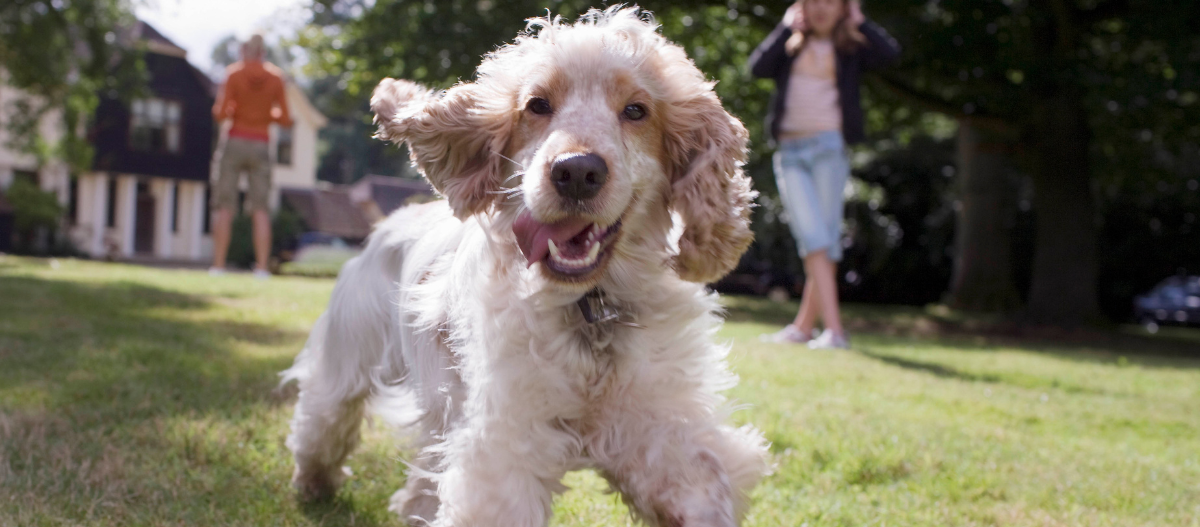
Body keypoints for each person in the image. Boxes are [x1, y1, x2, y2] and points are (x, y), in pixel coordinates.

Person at [749, 0, 900, 349]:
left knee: (824, 240)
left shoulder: (848, 47)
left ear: (843, 9)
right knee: (815, 236)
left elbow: (890, 54)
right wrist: (785, 27)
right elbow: (757, 67)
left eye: (831, 2)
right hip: (790, 153)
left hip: (829, 151)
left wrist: (861, 21)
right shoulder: (791, 45)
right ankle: (827, 330)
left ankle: (820, 329)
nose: (821, 8)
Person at [209, 34, 291, 278]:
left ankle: (218, 266)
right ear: (263, 53)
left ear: (244, 51)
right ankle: (262, 268)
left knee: (225, 206)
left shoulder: (233, 74)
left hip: (234, 140)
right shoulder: (276, 77)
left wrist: (237, 109)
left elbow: (220, 114)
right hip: (261, 144)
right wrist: (266, 114)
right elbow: (285, 118)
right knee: (261, 209)